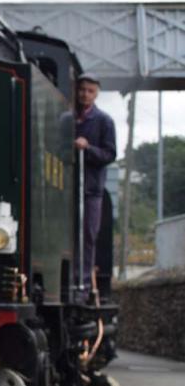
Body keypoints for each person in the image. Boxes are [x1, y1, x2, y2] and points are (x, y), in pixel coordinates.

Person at [74, 73, 116, 293]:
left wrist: (88, 149)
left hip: (91, 188)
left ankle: (84, 284)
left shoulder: (104, 121)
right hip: (68, 186)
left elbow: (110, 154)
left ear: (97, 93)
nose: (85, 95)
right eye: (82, 90)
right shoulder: (68, 116)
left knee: (88, 234)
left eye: (90, 91)